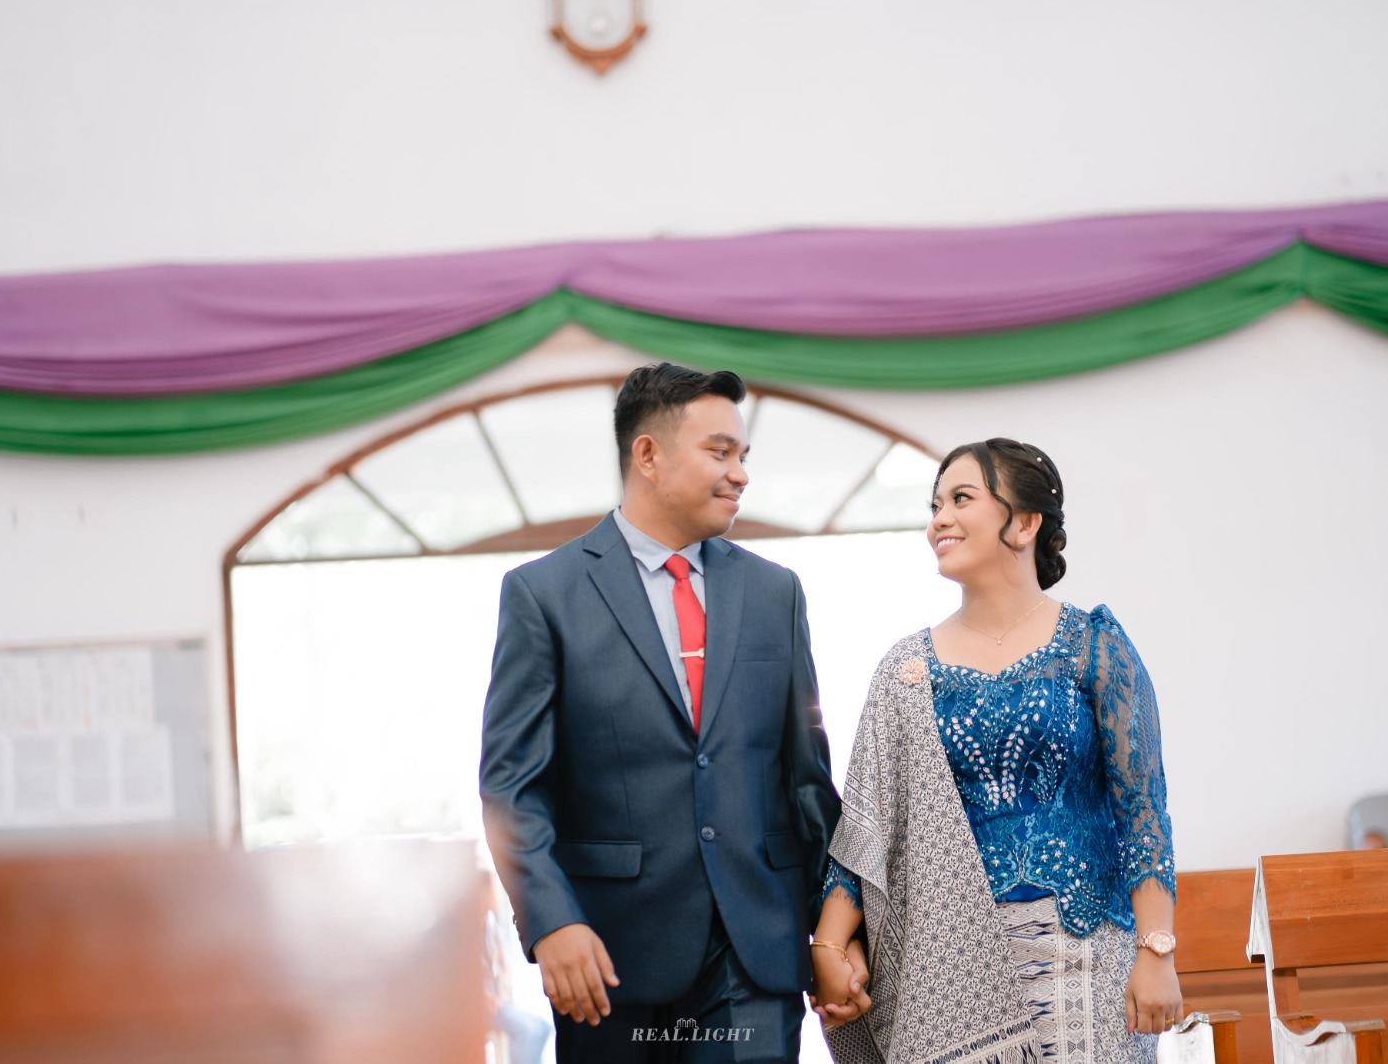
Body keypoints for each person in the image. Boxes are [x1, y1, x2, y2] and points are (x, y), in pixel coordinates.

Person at [479, 362, 855, 1063]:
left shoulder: (776, 593)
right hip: (608, 957)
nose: (740, 474)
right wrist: (551, 921)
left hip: (755, 954)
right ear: (648, 455)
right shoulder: (544, 594)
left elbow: (806, 782)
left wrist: (836, 932)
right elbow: (512, 788)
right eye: (720, 452)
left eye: (744, 455)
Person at [811, 438, 1181, 1064]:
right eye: (935, 506)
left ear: (1026, 523)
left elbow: (1143, 810)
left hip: (1089, 956)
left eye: (961, 499)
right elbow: (868, 830)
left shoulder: (1093, 645)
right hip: (950, 967)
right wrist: (827, 946)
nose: (940, 520)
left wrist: (1156, 951)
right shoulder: (906, 670)